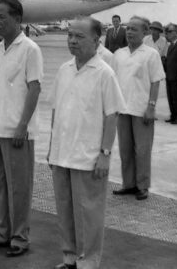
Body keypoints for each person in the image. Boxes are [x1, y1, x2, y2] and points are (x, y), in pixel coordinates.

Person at [48, 16, 125, 269]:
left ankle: (89, 261)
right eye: (70, 35)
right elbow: (55, 111)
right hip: (62, 153)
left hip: (88, 156)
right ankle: (69, 256)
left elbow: (112, 115)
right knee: (65, 210)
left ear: (96, 40)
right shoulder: (64, 69)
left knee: (89, 214)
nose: (72, 41)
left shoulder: (104, 73)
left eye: (79, 37)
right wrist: (51, 149)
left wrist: (105, 153)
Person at [0, 0, 42, 257]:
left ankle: (19, 237)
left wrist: (22, 126)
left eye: (2, 16)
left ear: (18, 19)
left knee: (19, 187)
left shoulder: (30, 49)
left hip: (17, 131)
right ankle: (0, 232)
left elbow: (34, 88)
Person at [111, 16, 165, 201]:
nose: (130, 32)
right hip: (122, 109)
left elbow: (155, 81)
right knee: (125, 150)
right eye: (128, 28)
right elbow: (113, 81)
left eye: (134, 29)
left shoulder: (151, 54)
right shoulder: (119, 54)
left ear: (145, 32)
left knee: (142, 150)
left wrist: (151, 107)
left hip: (142, 109)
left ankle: (142, 186)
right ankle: (128, 184)